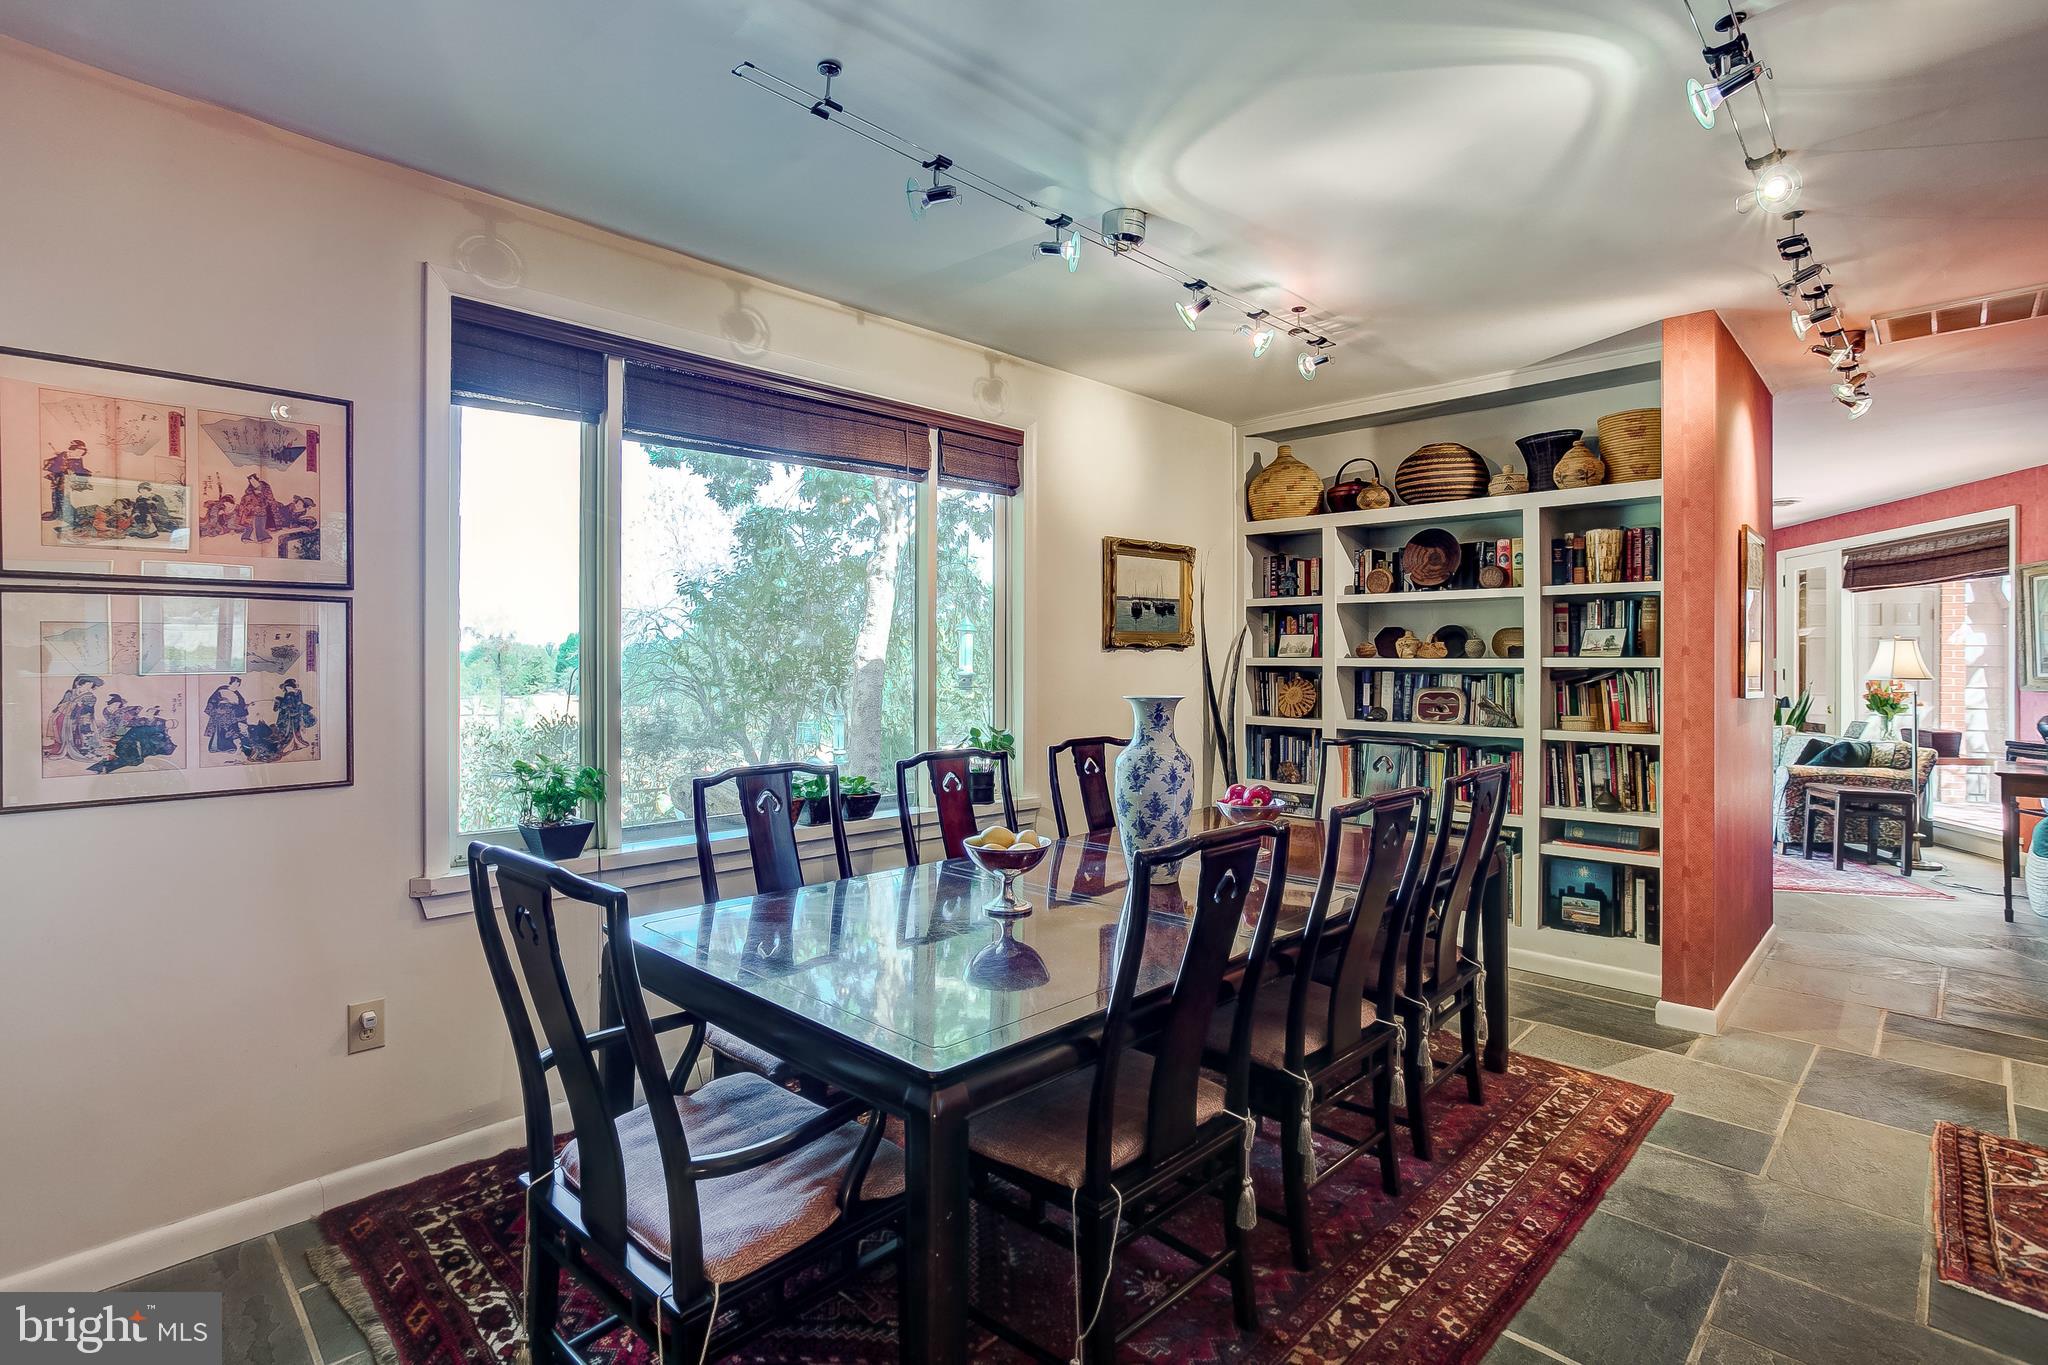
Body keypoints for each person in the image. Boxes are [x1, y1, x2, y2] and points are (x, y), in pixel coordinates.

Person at [42, 675, 102, 761]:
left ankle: (85, 750)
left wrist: (78, 707)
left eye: (91, 684)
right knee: (58, 722)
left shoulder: (90, 696)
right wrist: (56, 711)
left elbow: (88, 710)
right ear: (79, 684)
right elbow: (63, 702)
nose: (89, 686)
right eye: (87, 684)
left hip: (84, 718)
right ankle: (64, 746)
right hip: (69, 716)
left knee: (85, 734)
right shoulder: (71, 692)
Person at [41, 441, 90, 522]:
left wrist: (78, 474)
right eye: (78, 451)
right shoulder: (63, 455)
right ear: (72, 449)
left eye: (82, 453)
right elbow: (56, 466)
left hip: (68, 481)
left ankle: (66, 514)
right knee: (56, 496)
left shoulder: (78, 458)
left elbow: (79, 469)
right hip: (58, 479)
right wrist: (63, 465)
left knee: (66, 497)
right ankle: (56, 513)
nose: (79, 454)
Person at [203, 676, 248, 752]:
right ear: (231, 683)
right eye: (235, 684)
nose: (236, 686)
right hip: (220, 713)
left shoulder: (237, 693)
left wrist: (245, 706)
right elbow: (212, 700)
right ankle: (215, 747)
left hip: (232, 714)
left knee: (230, 729)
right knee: (219, 730)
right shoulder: (221, 689)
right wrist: (218, 706)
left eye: (238, 684)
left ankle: (229, 747)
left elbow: (241, 704)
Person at [238, 472, 276, 543]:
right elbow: (244, 501)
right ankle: (246, 537)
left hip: (262, 510)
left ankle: (263, 537)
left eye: (254, 480)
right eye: (251, 480)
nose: (253, 482)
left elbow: (270, 499)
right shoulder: (249, 491)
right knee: (249, 522)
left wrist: (261, 503)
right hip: (250, 511)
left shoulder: (265, 487)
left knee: (261, 523)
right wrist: (250, 506)